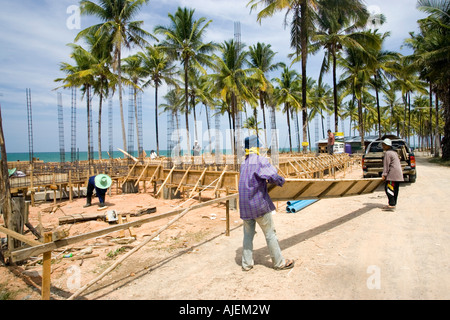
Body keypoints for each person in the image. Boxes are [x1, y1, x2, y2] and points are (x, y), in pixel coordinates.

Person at [238, 135, 295, 271]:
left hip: (245, 207)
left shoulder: (243, 164)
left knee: (247, 235)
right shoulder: (260, 161)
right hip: (258, 205)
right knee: (270, 234)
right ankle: (279, 263)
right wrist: (282, 181)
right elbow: (273, 176)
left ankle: (246, 264)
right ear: (257, 147)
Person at [381, 138, 404, 211]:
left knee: (388, 188)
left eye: (384, 145)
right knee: (395, 188)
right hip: (398, 173)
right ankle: (393, 203)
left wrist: (384, 174)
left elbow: (386, 165)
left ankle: (392, 204)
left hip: (393, 174)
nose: (383, 146)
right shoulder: (394, 152)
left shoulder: (388, 153)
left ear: (388, 146)